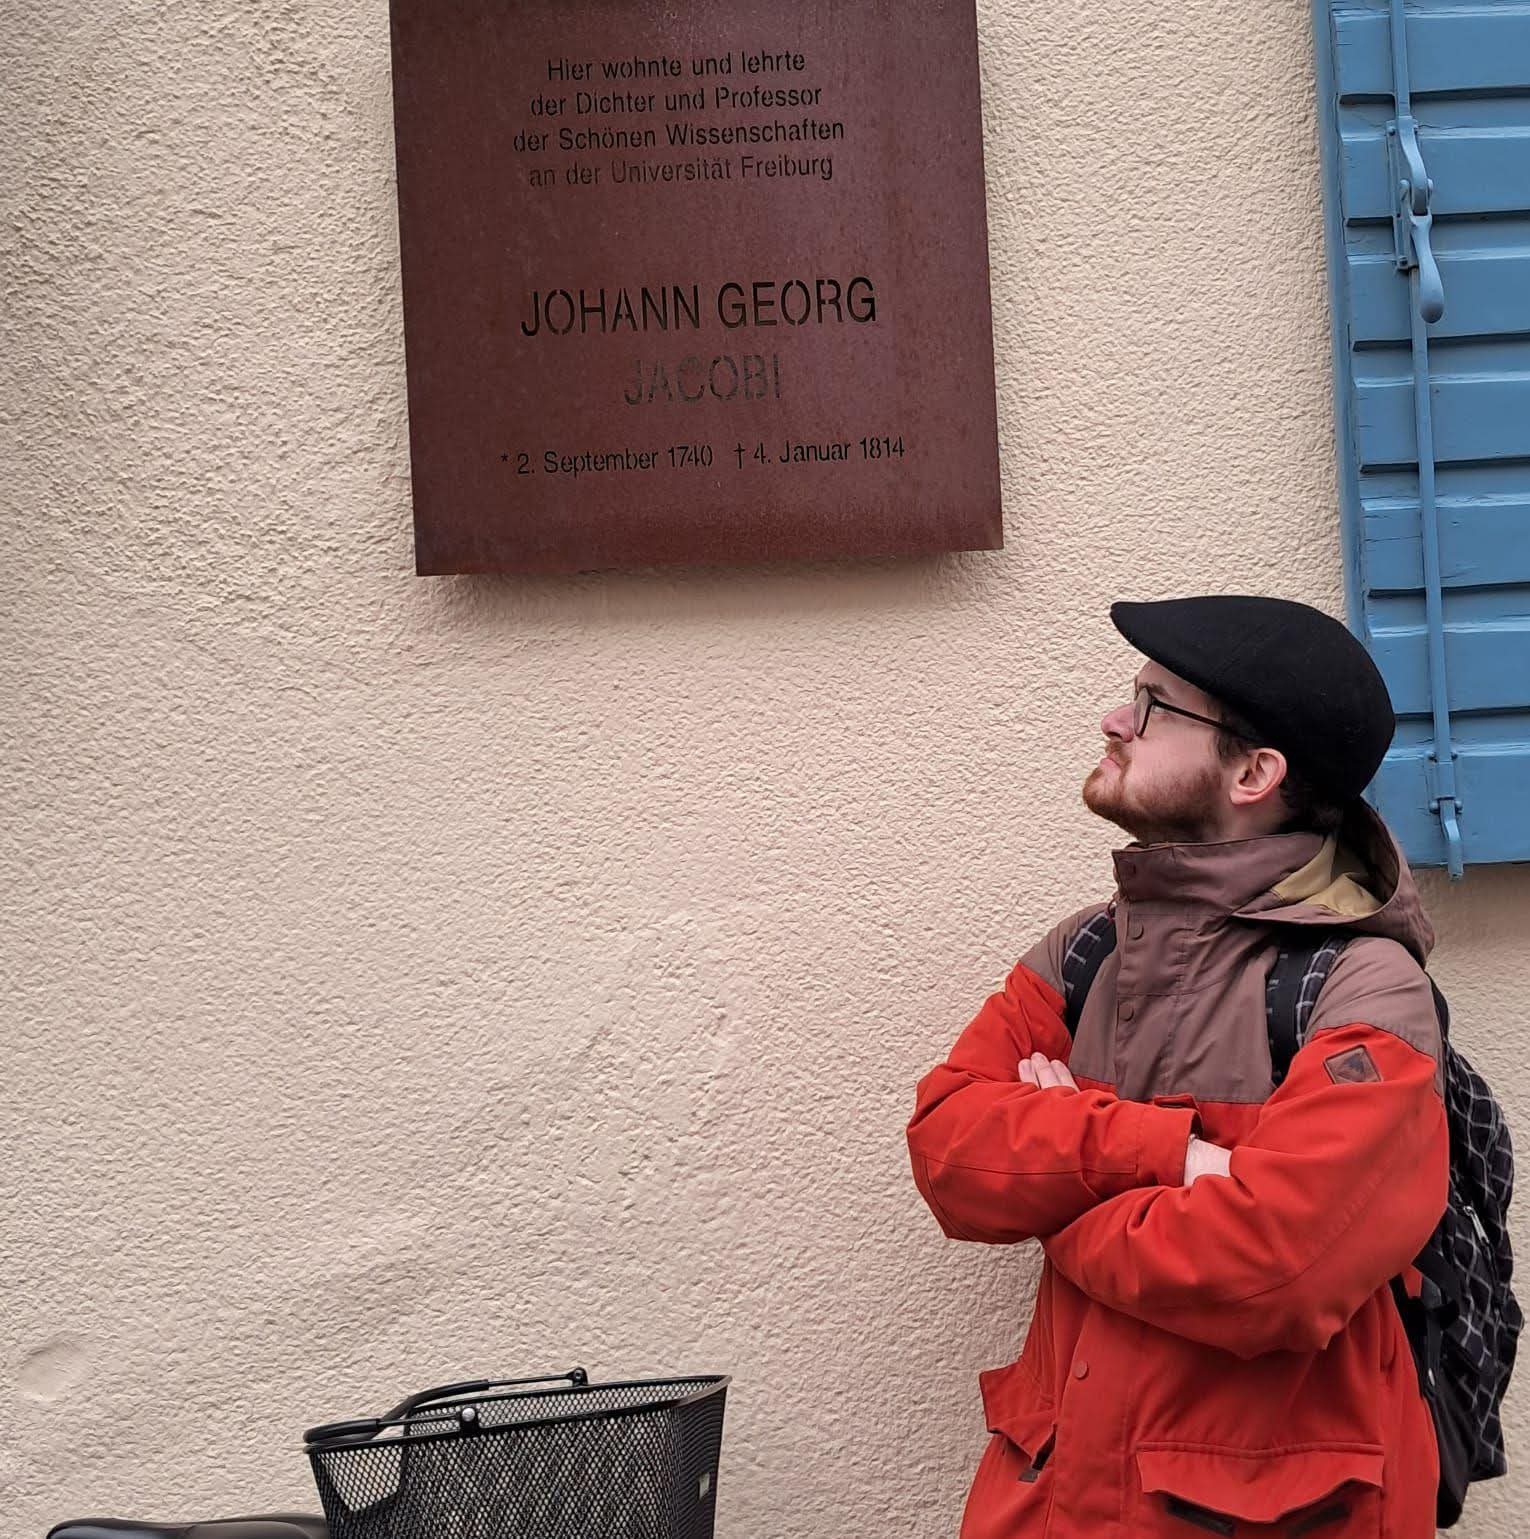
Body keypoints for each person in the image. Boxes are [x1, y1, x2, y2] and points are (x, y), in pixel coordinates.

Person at [906, 595, 1448, 1539]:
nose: (1116, 720)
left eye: (1154, 706)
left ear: (1254, 772)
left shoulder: (1365, 987)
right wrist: (1171, 1155)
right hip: (1050, 1505)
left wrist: (1055, 1199)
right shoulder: (1085, 953)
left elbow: (1275, 1266)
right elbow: (948, 1150)